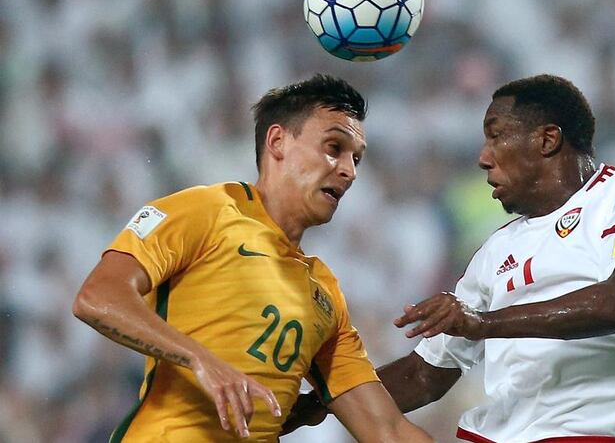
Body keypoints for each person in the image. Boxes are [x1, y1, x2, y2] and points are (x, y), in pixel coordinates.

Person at [286, 74, 615, 443]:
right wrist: (317, 404)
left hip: (605, 434)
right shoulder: (496, 251)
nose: (483, 157)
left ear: (547, 140)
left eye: (496, 137)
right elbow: (425, 374)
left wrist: (482, 324)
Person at [73, 75, 432, 442]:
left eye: (356, 158)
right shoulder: (207, 210)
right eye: (333, 147)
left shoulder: (324, 294)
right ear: (277, 141)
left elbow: (388, 429)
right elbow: (98, 297)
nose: (349, 171)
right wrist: (201, 359)